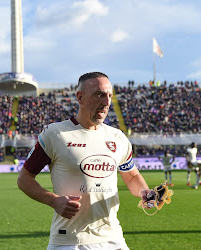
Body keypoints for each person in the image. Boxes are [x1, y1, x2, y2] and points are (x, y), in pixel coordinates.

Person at [17, 72, 150, 250]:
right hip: (70, 242)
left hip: (114, 239)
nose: (106, 101)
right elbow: (24, 179)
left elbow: (132, 176)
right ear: (80, 97)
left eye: (109, 95)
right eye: (99, 94)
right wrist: (54, 201)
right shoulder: (55, 134)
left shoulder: (118, 138)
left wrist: (145, 192)